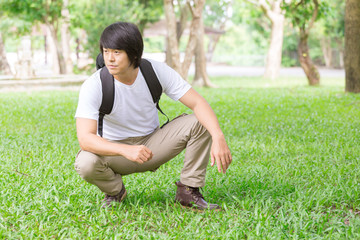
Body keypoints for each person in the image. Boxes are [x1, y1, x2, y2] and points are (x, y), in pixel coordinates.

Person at [74, 22, 232, 210]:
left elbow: (198, 103)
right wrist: (125, 150)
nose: (110, 59)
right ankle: (115, 191)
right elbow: (85, 138)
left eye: (117, 52)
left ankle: (188, 191)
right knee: (85, 163)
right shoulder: (94, 85)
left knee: (200, 121)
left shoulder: (155, 71)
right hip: (115, 152)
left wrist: (218, 136)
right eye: (106, 51)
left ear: (134, 53)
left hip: (153, 146)